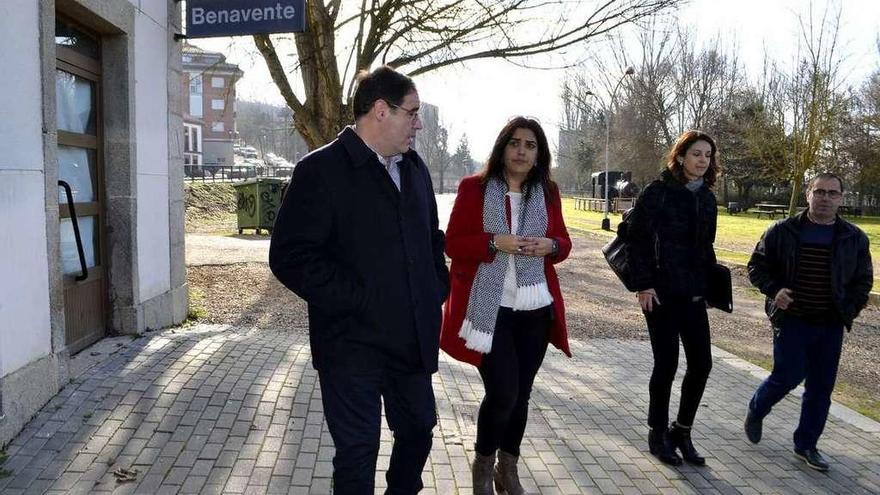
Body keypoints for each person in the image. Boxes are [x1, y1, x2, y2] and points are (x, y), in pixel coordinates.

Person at [268, 66, 449, 494]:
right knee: (357, 450)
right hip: (350, 344)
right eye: (413, 112)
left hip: (410, 340)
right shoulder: (320, 170)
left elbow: (430, 237)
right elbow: (289, 256)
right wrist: (357, 298)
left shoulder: (415, 169)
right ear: (381, 111)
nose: (419, 123)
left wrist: (435, 286)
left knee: (420, 429)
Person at [440, 116, 572, 495]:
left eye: (530, 145)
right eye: (515, 143)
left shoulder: (547, 192)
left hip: (534, 308)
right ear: (502, 147)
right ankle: (482, 467)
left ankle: (507, 469)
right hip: (489, 309)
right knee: (503, 393)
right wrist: (494, 241)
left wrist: (553, 246)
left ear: (539, 154)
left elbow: (562, 241)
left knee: (522, 395)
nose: (522, 151)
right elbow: (453, 244)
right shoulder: (474, 188)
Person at [744, 173, 873, 472]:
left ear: (841, 198)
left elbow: (863, 279)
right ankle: (757, 407)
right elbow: (756, 266)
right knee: (787, 376)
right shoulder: (782, 231)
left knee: (821, 387)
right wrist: (775, 291)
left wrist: (849, 309)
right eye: (819, 192)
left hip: (830, 325)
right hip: (792, 320)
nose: (825, 198)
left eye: (832, 193)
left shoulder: (854, 238)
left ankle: (806, 445)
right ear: (808, 195)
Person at [627, 130, 721, 466]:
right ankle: (657, 432)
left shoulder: (707, 199)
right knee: (666, 364)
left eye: (707, 155)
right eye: (696, 153)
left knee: (702, 364)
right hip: (661, 294)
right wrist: (643, 284)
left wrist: (711, 288)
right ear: (680, 156)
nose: (702, 160)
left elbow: (705, 247)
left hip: (693, 293)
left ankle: (681, 430)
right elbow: (636, 238)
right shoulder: (659, 192)